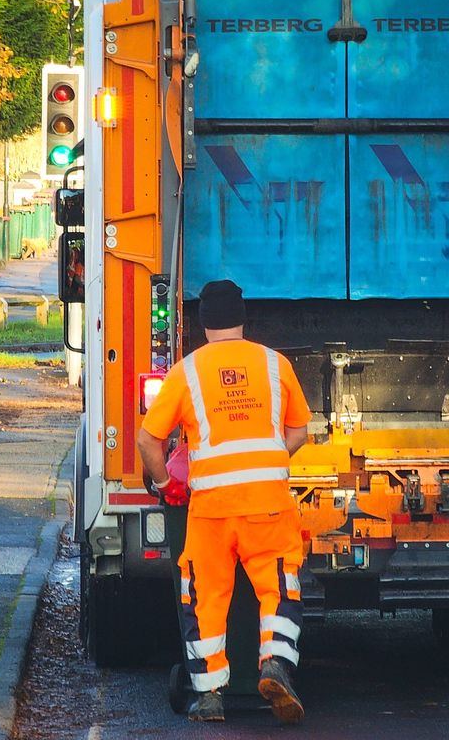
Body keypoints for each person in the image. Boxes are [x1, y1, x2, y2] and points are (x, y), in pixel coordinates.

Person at [137, 280, 311, 724]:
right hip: (267, 504)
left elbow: (148, 439)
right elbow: (299, 433)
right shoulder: (275, 364)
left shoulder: (187, 371)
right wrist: (269, 461)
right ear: (243, 319)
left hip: (211, 508)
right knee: (278, 587)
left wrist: (162, 484)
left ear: (202, 325)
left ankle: (210, 696)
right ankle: (273, 665)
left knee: (205, 598)